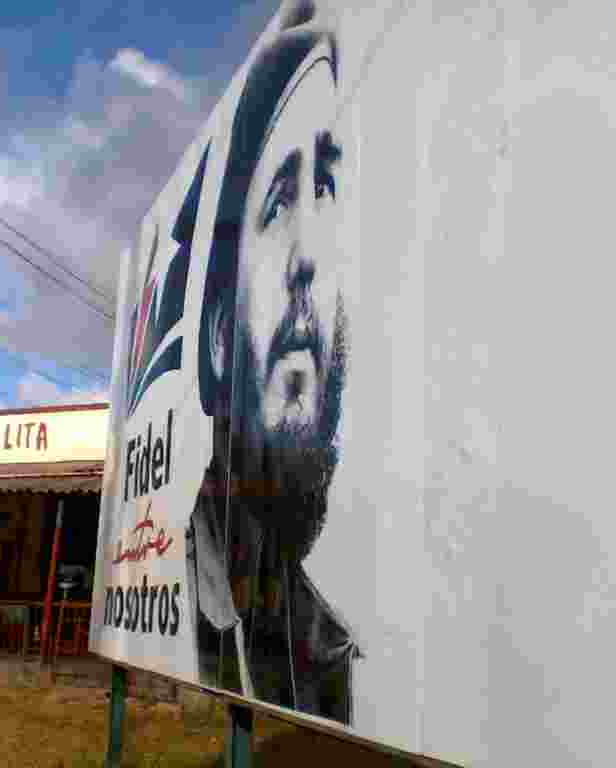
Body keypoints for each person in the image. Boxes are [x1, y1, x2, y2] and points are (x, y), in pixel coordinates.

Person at [186, 0, 359, 726]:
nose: (308, 259)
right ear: (220, 337)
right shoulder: (215, 600)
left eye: (326, 189)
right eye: (281, 200)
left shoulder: (322, 643)